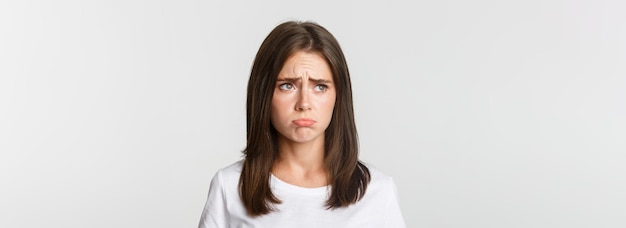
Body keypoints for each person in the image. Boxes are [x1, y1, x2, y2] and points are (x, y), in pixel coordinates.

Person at [198, 20, 406, 228]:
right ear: (264, 94)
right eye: (287, 86)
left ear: (338, 96)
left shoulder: (378, 191)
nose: (304, 103)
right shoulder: (230, 186)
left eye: (320, 87)